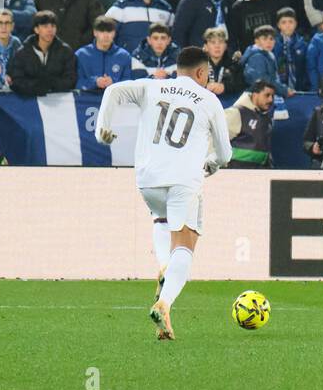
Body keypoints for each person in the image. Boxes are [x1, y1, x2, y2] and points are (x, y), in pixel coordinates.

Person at [95, 46, 234, 338]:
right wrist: (211, 164)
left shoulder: (152, 86)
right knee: (186, 240)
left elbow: (113, 91)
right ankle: (165, 303)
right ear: (201, 72)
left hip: (148, 178)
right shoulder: (209, 100)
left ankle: (163, 264)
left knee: (161, 220)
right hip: (184, 180)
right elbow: (225, 153)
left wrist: (102, 129)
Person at [8, 10, 77, 97]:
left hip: (59, 100)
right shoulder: (23, 52)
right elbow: (17, 81)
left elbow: (71, 79)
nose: (50, 30)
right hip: (30, 100)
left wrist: (50, 84)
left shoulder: (66, 51)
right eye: (45, 26)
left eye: (53, 26)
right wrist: (39, 86)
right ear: (36, 29)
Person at [224, 79, 276, 168]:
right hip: (233, 171)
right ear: (255, 95)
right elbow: (216, 139)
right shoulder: (236, 113)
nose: (271, 99)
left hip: (258, 172)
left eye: (272, 96)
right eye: (267, 95)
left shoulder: (266, 118)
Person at [75, 15, 132, 93]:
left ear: (114, 33)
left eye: (109, 31)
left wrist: (113, 83)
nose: (106, 36)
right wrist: (95, 82)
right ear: (95, 32)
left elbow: (129, 83)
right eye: (102, 31)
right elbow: (75, 82)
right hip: (87, 98)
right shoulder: (81, 55)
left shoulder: (124, 56)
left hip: (114, 98)